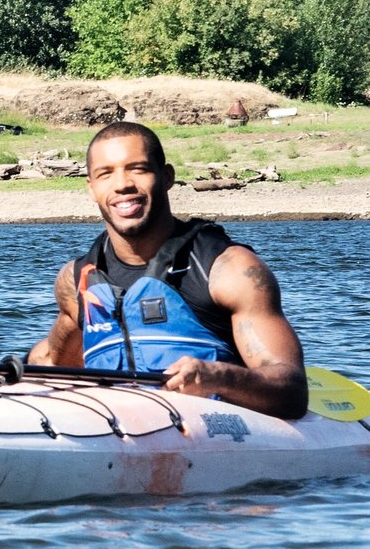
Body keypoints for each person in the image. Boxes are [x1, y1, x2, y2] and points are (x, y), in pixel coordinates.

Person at [28, 121, 305, 418]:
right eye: (105, 173)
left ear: (167, 176)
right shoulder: (77, 280)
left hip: (212, 439)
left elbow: (292, 393)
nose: (122, 184)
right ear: (92, 188)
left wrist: (218, 376)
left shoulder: (230, 269)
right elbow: (52, 360)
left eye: (138, 168)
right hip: (115, 437)